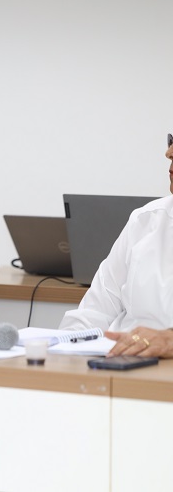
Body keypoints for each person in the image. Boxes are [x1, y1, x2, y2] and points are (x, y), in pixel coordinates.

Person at [58, 133, 173, 359]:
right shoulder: (145, 220)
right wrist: (62, 348)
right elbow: (94, 311)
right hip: (119, 365)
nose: (168, 153)